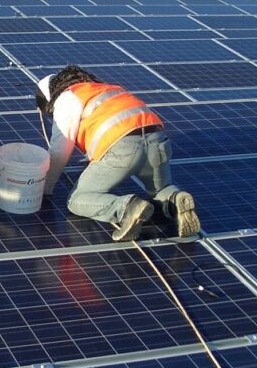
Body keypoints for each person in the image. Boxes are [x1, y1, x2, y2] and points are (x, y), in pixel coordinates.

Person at [36, 65, 200, 241]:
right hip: (158, 142)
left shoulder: (67, 97)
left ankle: (127, 208)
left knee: (77, 200)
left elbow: (60, 150)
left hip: (122, 149)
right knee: (160, 190)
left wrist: (45, 188)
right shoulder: (108, 89)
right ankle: (176, 199)